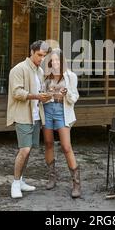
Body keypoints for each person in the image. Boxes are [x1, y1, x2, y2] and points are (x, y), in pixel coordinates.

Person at [7, 40, 52, 199]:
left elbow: (40, 93)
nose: (41, 58)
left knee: (29, 150)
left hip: (36, 116)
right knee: (24, 150)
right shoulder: (18, 69)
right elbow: (17, 93)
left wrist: (47, 96)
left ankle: (21, 181)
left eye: (44, 56)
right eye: (39, 55)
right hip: (22, 115)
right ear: (31, 52)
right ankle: (15, 183)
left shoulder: (39, 71)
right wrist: (37, 96)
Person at [42, 48, 81, 198]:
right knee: (48, 143)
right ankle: (52, 177)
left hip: (62, 111)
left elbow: (74, 97)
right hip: (47, 109)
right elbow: (41, 95)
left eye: (57, 60)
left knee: (66, 146)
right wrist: (47, 94)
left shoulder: (71, 76)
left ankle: (76, 183)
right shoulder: (45, 76)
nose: (55, 63)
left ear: (62, 61)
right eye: (52, 60)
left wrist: (66, 93)